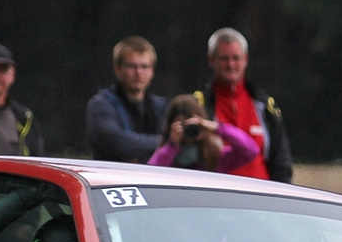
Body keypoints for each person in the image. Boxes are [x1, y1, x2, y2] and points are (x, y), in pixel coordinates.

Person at [191, 28, 292, 182]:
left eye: (236, 58)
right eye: (224, 58)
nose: (231, 64)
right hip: (218, 196)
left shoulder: (264, 105)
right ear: (211, 60)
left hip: (261, 198)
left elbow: (281, 161)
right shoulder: (199, 104)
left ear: (246, 59)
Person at [84, 37, 167, 163]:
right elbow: (119, 144)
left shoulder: (161, 106)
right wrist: (164, 142)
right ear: (118, 68)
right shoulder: (100, 105)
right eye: (131, 66)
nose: (138, 72)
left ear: (152, 71)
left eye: (144, 66)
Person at [146, 95, 262, 172]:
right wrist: (172, 146)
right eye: (182, 125)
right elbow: (152, 173)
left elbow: (250, 150)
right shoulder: (166, 157)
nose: (187, 130)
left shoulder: (215, 158)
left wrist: (216, 127)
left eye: (191, 125)